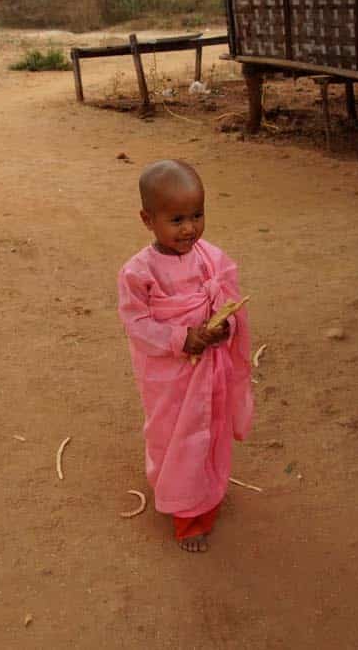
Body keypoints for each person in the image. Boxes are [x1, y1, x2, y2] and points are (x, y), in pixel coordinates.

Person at [117, 160, 255, 552]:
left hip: (209, 369)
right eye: (176, 219)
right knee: (175, 437)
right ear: (148, 219)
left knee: (207, 431)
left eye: (197, 215)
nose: (190, 228)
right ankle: (187, 516)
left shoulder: (210, 257)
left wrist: (226, 325)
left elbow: (228, 298)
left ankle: (205, 492)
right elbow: (137, 325)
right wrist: (181, 338)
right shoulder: (137, 272)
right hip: (169, 378)